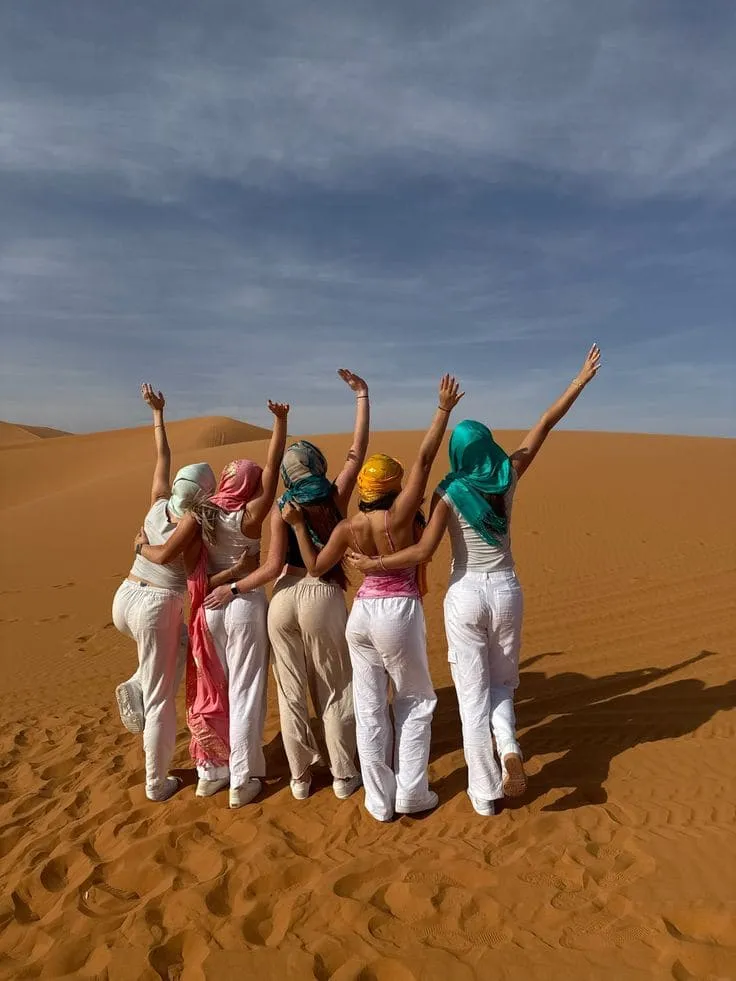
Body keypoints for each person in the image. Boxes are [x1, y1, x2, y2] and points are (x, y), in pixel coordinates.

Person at [348, 345, 602, 816]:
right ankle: (508, 747)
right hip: (507, 589)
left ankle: (485, 794)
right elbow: (545, 423)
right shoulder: (509, 475)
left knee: (471, 694)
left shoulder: (450, 489)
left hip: (465, 594)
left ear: (458, 453)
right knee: (503, 685)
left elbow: (423, 552)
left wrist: (373, 566)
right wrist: (579, 380)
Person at [282, 375, 464, 822]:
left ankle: (378, 800)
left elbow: (316, 567)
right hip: (396, 611)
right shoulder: (401, 516)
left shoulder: (348, 528)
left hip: (360, 616)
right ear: (393, 485)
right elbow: (425, 457)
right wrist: (443, 410)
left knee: (368, 709)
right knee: (415, 701)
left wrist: (299, 524)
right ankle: (411, 794)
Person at [205, 370, 369, 803]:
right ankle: (343, 774)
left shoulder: (283, 506)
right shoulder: (335, 495)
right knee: (335, 686)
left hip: (282, 599)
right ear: (317, 466)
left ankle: (299, 778)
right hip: (322, 595)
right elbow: (357, 453)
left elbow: (272, 566)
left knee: (291, 692)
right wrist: (361, 396)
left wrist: (235, 588)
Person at [138, 400, 289, 809]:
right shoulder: (252, 515)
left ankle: (210, 773)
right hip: (244, 603)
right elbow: (274, 470)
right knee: (245, 690)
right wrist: (280, 422)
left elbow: (183, 561)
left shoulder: (202, 512)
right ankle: (242, 779)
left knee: (210, 686)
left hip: (208, 608)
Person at [112, 384, 217, 802]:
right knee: (161, 701)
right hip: (157, 603)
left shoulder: (157, 503)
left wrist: (158, 415)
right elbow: (173, 556)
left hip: (125, 598)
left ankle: (139, 679)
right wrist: (143, 547)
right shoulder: (194, 526)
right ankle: (156, 783)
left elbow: (162, 460)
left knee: (178, 645)